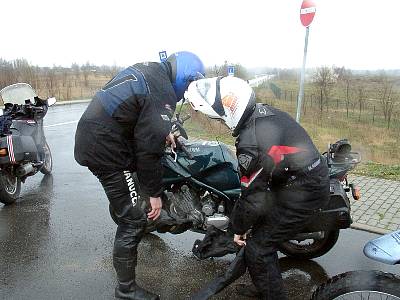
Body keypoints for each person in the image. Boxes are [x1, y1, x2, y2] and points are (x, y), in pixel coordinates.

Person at [74, 51, 205, 300]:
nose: (186, 93)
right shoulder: (163, 89)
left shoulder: (153, 73)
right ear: (185, 78)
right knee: (133, 219)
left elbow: (143, 116)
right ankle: (126, 290)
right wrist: (153, 193)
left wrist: (161, 130)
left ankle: (136, 206)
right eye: (189, 86)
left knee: (136, 198)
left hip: (103, 136)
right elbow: (148, 151)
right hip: (105, 147)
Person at [185, 76, 330, 299]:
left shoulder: (251, 145)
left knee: (259, 249)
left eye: (219, 119)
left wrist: (235, 230)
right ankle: (261, 286)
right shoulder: (262, 112)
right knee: (258, 235)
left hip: (304, 191)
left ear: (229, 113)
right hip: (298, 180)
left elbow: (252, 197)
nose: (220, 123)